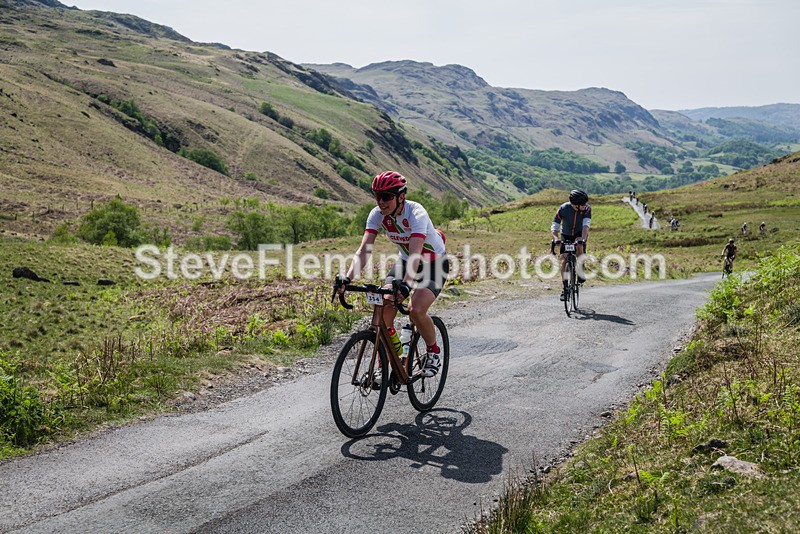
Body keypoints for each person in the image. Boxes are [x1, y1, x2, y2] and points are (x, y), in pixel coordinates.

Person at [339, 171, 449, 377]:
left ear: (401, 196)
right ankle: (389, 361)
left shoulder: (416, 213)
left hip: (433, 263)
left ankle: (433, 351)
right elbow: (364, 250)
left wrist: (406, 285)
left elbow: (416, 252)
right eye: (377, 196)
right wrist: (348, 277)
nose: (381, 202)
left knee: (415, 310)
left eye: (387, 196)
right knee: (381, 312)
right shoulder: (377, 215)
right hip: (405, 261)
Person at [551, 189, 591, 302]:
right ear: (575, 205)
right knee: (564, 260)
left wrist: (582, 239)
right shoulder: (563, 208)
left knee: (579, 246)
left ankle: (581, 268)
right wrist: (555, 239)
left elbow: (586, 226)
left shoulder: (587, 209)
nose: (585, 206)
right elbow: (555, 225)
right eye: (582, 204)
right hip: (566, 234)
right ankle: (565, 288)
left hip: (580, 233)